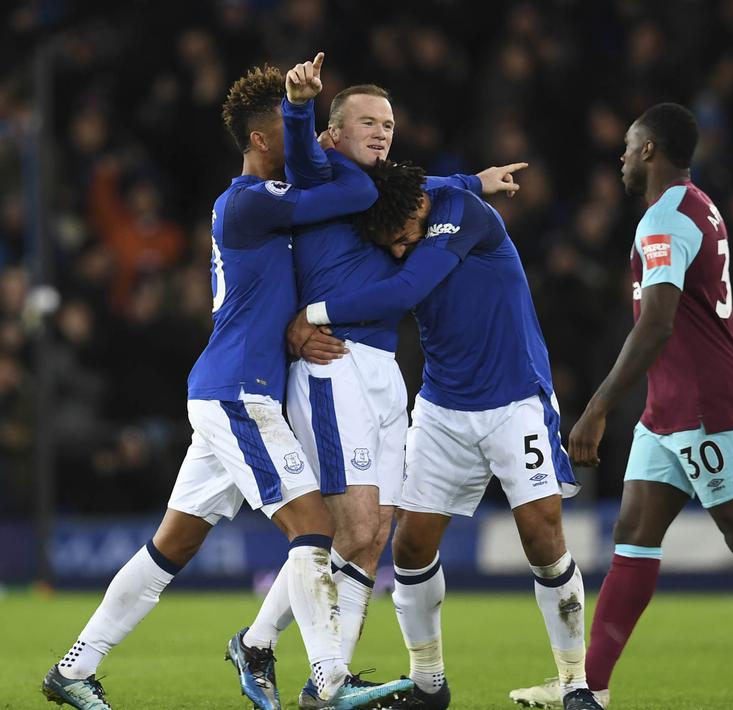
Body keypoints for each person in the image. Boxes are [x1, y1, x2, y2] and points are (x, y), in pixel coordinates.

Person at [42, 61, 413, 710]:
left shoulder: (264, 209)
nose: (310, 148)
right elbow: (356, 196)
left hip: (232, 386)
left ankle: (74, 667)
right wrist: (317, 132)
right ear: (265, 139)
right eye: (290, 132)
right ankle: (328, 680)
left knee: (172, 545)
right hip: (240, 392)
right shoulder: (247, 201)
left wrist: (297, 325)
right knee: (312, 526)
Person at [510, 103, 733, 710]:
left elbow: (657, 325)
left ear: (649, 150)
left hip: (700, 400)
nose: (618, 155)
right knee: (634, 535)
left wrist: (595, 407)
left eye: (627, 144)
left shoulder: (665, 218)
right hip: (669, 405)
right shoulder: (697, 205)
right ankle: (587, 687)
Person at [226, 55, 528, 710]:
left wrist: (474, 179)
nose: (381, 130)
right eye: (366, 120)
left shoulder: (376, 185)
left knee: (370, 533)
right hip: (333, 363)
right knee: (354, 525)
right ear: (334, 133)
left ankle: (301, 666)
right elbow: (301, 148)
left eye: (387, 122)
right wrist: (300, 106)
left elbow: (422, 182)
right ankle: (307, 669)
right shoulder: (318, 167)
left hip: (385, 366)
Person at [285, 156, 600, 710]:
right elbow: (423, 192)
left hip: (514, 400)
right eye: (393, 246)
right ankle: (429, 684)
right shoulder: (418, 198)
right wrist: (473, 174)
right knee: (409, 546)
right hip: (442, 407)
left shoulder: (466, 214)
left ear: (421, 210)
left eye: (405, 237)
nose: (400, 250)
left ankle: (575, 685)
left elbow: (407, 288)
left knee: (542, 536)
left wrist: (312, 312)